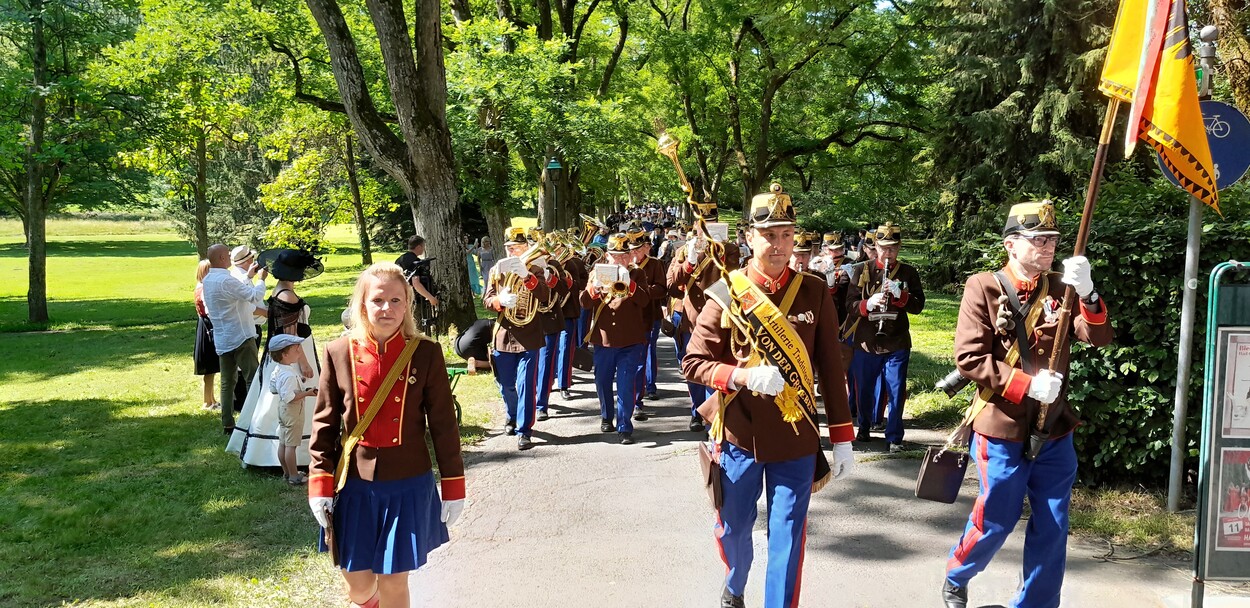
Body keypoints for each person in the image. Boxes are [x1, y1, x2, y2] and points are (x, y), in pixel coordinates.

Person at [683, 183, 855, 608]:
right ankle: (736, 581)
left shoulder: (814, 290)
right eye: (769, 235)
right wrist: (740, 377)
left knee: (789, 535)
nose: (779, 245)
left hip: (795, 433)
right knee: (735, 529)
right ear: (749, 237)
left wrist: (843, 436)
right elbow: (693, 362)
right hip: (740, 434)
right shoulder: (728, 289)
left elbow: (832, 369)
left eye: (786, 234)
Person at [942, 201, 1112, 608]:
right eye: (1039, 239)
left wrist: (1088, 293)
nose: (1049, 246)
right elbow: (969, 358)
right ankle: (957, 573)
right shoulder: (983, 286)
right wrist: (1026, 385)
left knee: (1053, 524)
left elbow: (1099, 337)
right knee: (996, 517)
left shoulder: (1060, 287)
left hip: (1053, 426)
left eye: (1052, 239)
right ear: (1012, 244)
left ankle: (1037, 603)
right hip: (1001, 424)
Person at [307, 263, 465, 608]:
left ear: (407, 304)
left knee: (394, 581)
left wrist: (453, 484)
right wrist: (319, 483)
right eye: (377, 299)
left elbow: (443, 425)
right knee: (359, 587)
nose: (387, 308)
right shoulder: (338, 352)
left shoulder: (425, 353)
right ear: (362, 304)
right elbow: (324, 423)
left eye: (396, 300)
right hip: (353, 486)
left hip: (407, 481)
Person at [227, 249, 324, 467]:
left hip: (279, 356)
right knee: (290, 398)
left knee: (271, 399)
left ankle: (264, 451)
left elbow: (272, 315)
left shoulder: (279, 290)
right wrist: (304, 363)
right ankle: (296, 455)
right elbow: (290, 334)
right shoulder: (288, 296)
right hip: (292, 355)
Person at [844, 223, 925, 451]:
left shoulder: (908, 272)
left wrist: (901, 296)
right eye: (883, 248)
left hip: (896, 339)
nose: (887, 253)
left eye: (892, 248)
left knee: (896, 388)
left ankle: (894, 436)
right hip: (867, 340)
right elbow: (849, 305)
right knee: (865, 387)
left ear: (898, 248)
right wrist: (866, 304)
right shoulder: (862, 270)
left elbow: (918, 306)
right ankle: (864, 426)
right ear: (875, 246)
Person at [483, 227, 554, 450]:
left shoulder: (535, 268)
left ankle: (524, 430)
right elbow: (487, 299)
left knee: (525, 384)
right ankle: (511, 415)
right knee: (505, 383)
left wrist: (527, 277)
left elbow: (544, 296)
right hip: (504, 334)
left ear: (527, 248)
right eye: (510, 248)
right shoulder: (497, 270)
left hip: (529, 336)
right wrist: (499, 301)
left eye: (518, 248)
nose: (513, 252)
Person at [581, 233, 651, 444]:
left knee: (626, 383)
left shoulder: (637, 274)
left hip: (630, 338)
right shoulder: (596, 272)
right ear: (607, 256)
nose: (619, 260)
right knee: (602, 381)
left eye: (623, 256)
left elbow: (645, 301)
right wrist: (594, 290)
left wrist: (630, 286)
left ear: (630, 256)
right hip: (604, 338)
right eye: (615, 256)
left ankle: (624, 426)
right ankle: (606, 416)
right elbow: (584, 303)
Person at [201, 244, 268, 435]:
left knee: (227, 382)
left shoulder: (208, 280)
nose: (230, 257)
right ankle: (253, 420)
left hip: (222, 336)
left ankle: (228, 423)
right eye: (228, 254)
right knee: (252, 378)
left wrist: (248, 277)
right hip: (241, 335)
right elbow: (254, 296)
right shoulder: (226, 280)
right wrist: (261, 280)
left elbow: (236, 294)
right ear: (222, 258)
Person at [666, 229, 719, 432]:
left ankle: (712, 420)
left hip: (718, 322)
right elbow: (671, 286)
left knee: (714, 371)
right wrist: (689, 261)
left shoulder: (724, 252)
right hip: (692, 320)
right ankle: (697, 411)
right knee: (694, 371)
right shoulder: (682, 252)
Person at [531, 228, 570, 422]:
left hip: (549, 320)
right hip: (528, 320)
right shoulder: (521, 266)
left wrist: (550, 279)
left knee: (545, 364)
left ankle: (541, 404)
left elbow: (564, 289)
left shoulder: (554, 264)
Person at [268, 333, 318, 486]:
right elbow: (289, 397)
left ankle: (287, 471)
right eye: (296, 350)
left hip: (283, 411)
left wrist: (300, 383)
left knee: (283, 442)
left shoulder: (280, 370)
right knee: (291, 445)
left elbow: (274, 389)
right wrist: (307, 393)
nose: (299, 352)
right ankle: (294, 476)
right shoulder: (288, 374)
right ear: (284, 354)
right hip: (292, 411)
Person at [629, 227, 668, 414]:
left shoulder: (654, 264)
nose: (634, 252)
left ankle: (648, 387)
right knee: (635, 358)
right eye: (632, 249)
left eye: (638, 248)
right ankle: (637, 395)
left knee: (647, 352)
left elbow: (662, 289)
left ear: (646, 248)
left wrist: (641, 292)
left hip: (649, 316)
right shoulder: (625, 267)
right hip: (628, 319)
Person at [555, 232, 588, 400]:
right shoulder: (545, 264)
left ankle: (563, 384)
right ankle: (545, 383)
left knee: (566, 348)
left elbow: (580, 283)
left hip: (567, 311)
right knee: (546, 351)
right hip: (549, 313)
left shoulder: (573, 263)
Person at [193, 260, 221, 412]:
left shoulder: (199, 286)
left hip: (204, 326)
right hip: (208, 327)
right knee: (209, 367)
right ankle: (206, 401)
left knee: (212, 367)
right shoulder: (204, 288)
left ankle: (212, 399)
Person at [396, 235, 439, 309]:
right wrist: (431, 298)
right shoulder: (415, 262)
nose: (424, 249)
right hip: (412, 298)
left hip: (399, 296)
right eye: (423, 246)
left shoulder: (400, 259)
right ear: (419, 247)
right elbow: (416, 284)